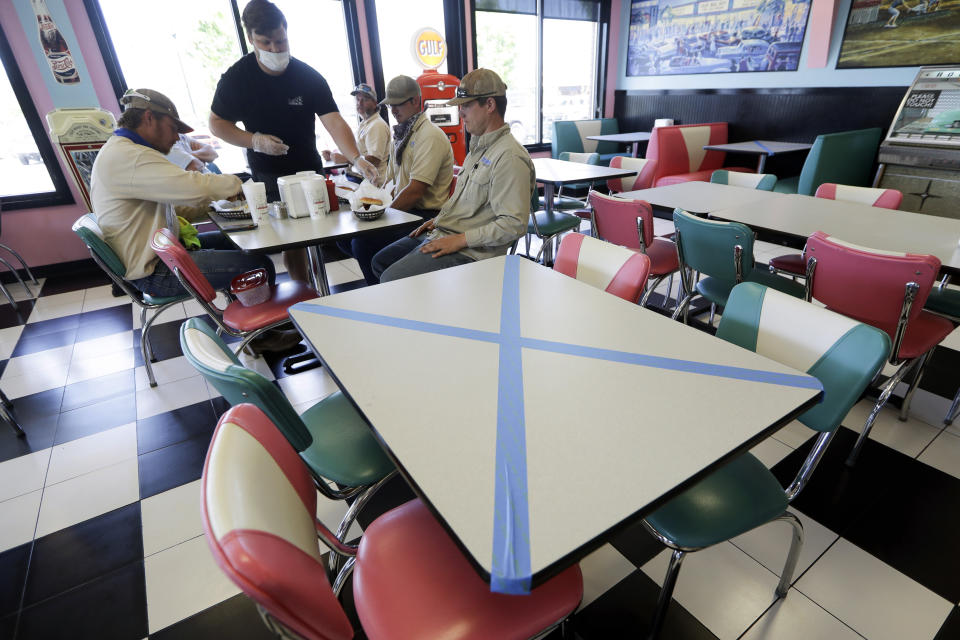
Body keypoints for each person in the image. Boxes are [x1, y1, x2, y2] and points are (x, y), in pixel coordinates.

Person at [208, 0, 377, 280]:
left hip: (308, 169)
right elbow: (217, 124)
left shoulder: (306, 76)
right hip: (269, 173)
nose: (275, 49)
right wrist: (254, 141)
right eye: (266, 42)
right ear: (251, 39)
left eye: (281, 41)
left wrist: (356, 158)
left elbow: (333, 120)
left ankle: (320, 286)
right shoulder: (237, 79)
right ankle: (303, 294)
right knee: (291, 241)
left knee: (318, 234)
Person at [371, 69, 533, 283]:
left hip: (473, 252)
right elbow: (467, 204)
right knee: (380, 261)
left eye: (466, 105)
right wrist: (438, 219)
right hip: (446, 231)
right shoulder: (478, 148)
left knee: (391, 278)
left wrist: (460, 240)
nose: (461, 113)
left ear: (490, 105)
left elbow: (514, 224)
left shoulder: (509, 157)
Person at [339, 75, 454, 284]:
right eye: (390, 105)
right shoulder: (401, 136)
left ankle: (381, 292)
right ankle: (387, 283)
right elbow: (389, 184)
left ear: (416, 101)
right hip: (406, 210)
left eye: (398, 104)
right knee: (346, 237)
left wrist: (383, 216)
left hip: (425, 215)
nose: (393, 110)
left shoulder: (430, 135)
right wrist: (373, 206)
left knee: (362, 243)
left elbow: (415, 190)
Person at [322, 83, 390, 171]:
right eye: (358, 99)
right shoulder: (365, 123)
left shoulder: (377, 125)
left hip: (373, 182)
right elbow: (360, 152)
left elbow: (375, 160)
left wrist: (346, 159)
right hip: (362, 177)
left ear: (375, 103)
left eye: (365, 99)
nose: (359, 103)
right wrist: (333, 155)